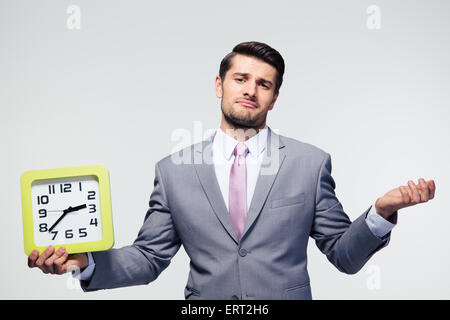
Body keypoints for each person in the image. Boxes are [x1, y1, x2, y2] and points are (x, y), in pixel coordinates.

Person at [27, 41, 436, 299]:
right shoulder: (173, 172)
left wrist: (379, 214)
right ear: (219, 85)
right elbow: (149, 258)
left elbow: (343, 256)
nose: (250, 89)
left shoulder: (310, 164)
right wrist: (84, 260)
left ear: (274, 98)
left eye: (264, 84)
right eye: (240, 78)